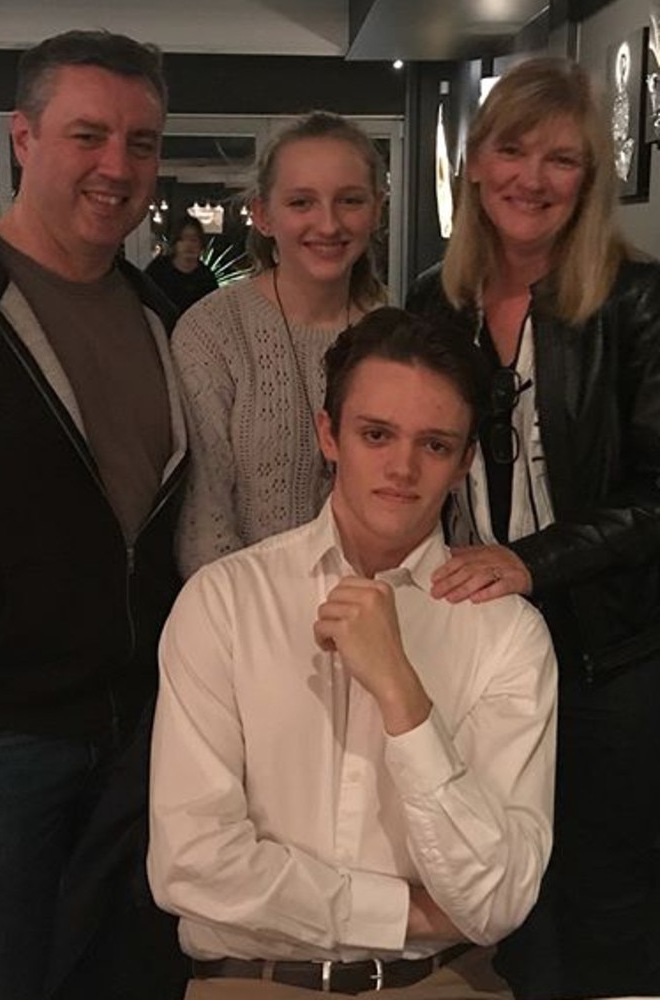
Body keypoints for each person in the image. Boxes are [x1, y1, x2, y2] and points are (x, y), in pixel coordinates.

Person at [0, 30, 189, 1000]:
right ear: (24, 137)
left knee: (115, 971)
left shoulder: (152, 311)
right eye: (88, 135)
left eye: (141, 142)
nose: (118, 166)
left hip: (134, 725)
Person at [149, 308, 557, 1000]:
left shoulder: (506, 633)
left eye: (433, 445)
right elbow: (189, 866)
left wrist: (403, 695)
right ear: (329, 435)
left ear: (462, 464)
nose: (401, 467)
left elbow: (498, 900)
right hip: (255, 981)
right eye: (376, 435)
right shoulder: (224, 603)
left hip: (441, 981)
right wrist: (402, 912)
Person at [406, 56, 660, 999]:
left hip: (610, 646)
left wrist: (528, 561)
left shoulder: (638, 299)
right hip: (477, 636)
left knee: (606, 878)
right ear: (474, 163)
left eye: (563, 159)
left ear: (590, 178)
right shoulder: (437, 298)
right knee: (501, 873)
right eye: (513, 150)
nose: (534, 178)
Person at [172, 110, 388, 578]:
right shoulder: (214, 332)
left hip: (379, 613)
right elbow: (203, 526)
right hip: (246, 623)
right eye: (301, 203)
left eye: (349, 200)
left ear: (378, 209)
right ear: (264, 215)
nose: (328, 225)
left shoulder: (394, 337)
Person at [147, 215, 219, 327]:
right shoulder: (158, 270)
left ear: (201, 244)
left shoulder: (206, 277)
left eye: (193, 240)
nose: (188, 245)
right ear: (175, 243)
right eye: (182, 239)